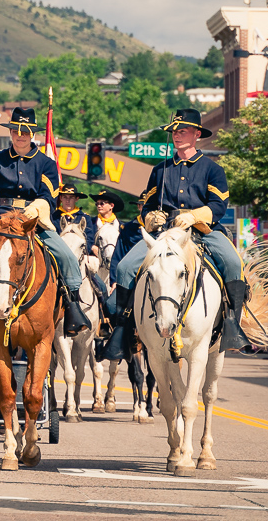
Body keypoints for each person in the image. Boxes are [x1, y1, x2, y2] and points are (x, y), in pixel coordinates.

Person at [105, 108, 248, 356]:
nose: (176, 136)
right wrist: (150, 217)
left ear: (196, 135)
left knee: (234, 263)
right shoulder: (160, 170)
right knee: (126, 267)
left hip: (202, 230)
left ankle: (232, 324)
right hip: (166, 233)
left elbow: (218, 206)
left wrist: (193, 216)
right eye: (174, 132)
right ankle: (122, 329)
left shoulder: (212, 169)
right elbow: (148, 205)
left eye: (182, 131)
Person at [0, 107, 91, 338]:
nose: (20, 135)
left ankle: (74, 309)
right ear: (11, 132)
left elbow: (49, 196)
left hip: (33, 220)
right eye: (15, 130)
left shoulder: (45, 163)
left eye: (25, 131)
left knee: (66, 256)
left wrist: (35, 210)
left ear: (32, 133)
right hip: (0, 220)